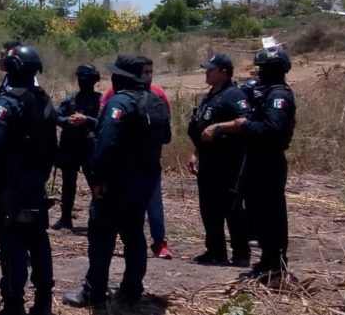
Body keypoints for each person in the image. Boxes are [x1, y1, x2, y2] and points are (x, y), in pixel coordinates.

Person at [64, 56, 171, 314]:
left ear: (121, 77)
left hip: (116, 185)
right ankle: (132, 291)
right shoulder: (155, 101)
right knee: (134, 236)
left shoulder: (119, 102)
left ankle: (94, 291)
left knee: (101, 238)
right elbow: (166, 136)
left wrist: (98, 179)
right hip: (143, 183)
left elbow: (105, 143)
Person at [200, 47, 296, 281]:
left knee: (270, 215)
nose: (258, 73)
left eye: (262, 68)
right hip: (257, 161)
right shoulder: (267, 93)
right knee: (258, 214)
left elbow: (273, 131)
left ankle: (274, 265)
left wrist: (242, 125)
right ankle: (267, 263)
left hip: (269, 163)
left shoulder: (278, 96)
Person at [0, 45, 57, 315]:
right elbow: (51, 144)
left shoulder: (10, 100)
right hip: (36, 183)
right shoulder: (43, 99)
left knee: (12, 243)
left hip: (11, 185)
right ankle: (44, 301)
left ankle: (13, 304)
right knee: (38, 240)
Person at [99, 57, 173, 260]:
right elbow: (103, 124)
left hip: (135, 170)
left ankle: (159, 243)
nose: (148, 75)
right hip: (139, 169)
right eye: (145, 71)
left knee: (150, 207)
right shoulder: (113, 96)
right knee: (133, 227)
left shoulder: (158, 96)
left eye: (150, 71)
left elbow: (164, 134)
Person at [187, 54, 251, 266]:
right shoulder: (210, 96)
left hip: (229, 162)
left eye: (211, 69)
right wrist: (195, 152)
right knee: (209, 209)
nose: (206, 72)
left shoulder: (234, 95)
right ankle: (215, 251)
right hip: (208, 161)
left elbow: (246, 120)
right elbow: (201, 127)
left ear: (223, 71)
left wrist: (220, 127)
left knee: (232, 209)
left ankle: (241, 254)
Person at [51, 64, 101, 230]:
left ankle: (97, 218)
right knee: (68, 184)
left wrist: (86, 120)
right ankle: (65, 217)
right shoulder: (70, 99)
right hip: (70, 146)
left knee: (95, 183)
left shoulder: (100, 100)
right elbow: (57, 117)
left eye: (86, 79)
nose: (82, 81)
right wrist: (67, 121)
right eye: (80, 78)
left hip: (90, 147)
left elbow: (103, 123)